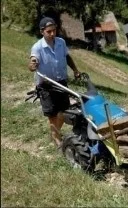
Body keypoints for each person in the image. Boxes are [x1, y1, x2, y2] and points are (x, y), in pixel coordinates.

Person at [28, 17, 81, 148]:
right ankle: (57, 140)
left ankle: (54, 133)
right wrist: (32, 65)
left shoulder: (61, 42)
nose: (52, 34)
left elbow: (67, 56)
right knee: (52, 115)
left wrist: (75, 70)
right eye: (49, 31)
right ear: (42, 32)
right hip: (46, 86)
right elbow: (33, 61)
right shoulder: (37, 47)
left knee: (64, 111)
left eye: (54, 30)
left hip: (61, 82)